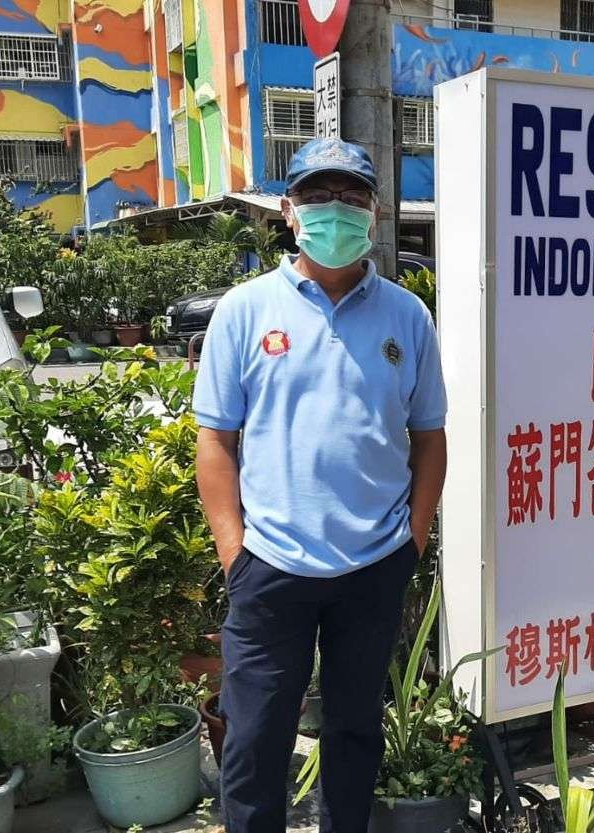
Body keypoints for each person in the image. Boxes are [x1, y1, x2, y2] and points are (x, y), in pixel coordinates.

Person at [193, 137, 448, 833]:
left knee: (356, 731)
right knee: (252, 739)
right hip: (270, 565)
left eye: (351, 197)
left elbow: (429, 436)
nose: (335, 211)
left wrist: (412, 540)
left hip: (373, 563)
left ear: (376, 213)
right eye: (317, 196)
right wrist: (234, 552)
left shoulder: (407, 317)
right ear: (289, 210)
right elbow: (215, 439)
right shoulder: (245, 310)